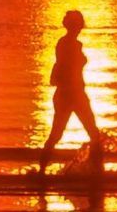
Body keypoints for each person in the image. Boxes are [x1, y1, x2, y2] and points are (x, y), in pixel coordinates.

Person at [38, 10, 105, 174]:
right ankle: (42, 170)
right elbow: (62, 67)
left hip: (74, 94)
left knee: (91, 133)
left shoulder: (71, 44)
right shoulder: (68, 44)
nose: (80, 26)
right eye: (78, 23)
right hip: (70, 94)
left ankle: (96, 170)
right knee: (63, 133)